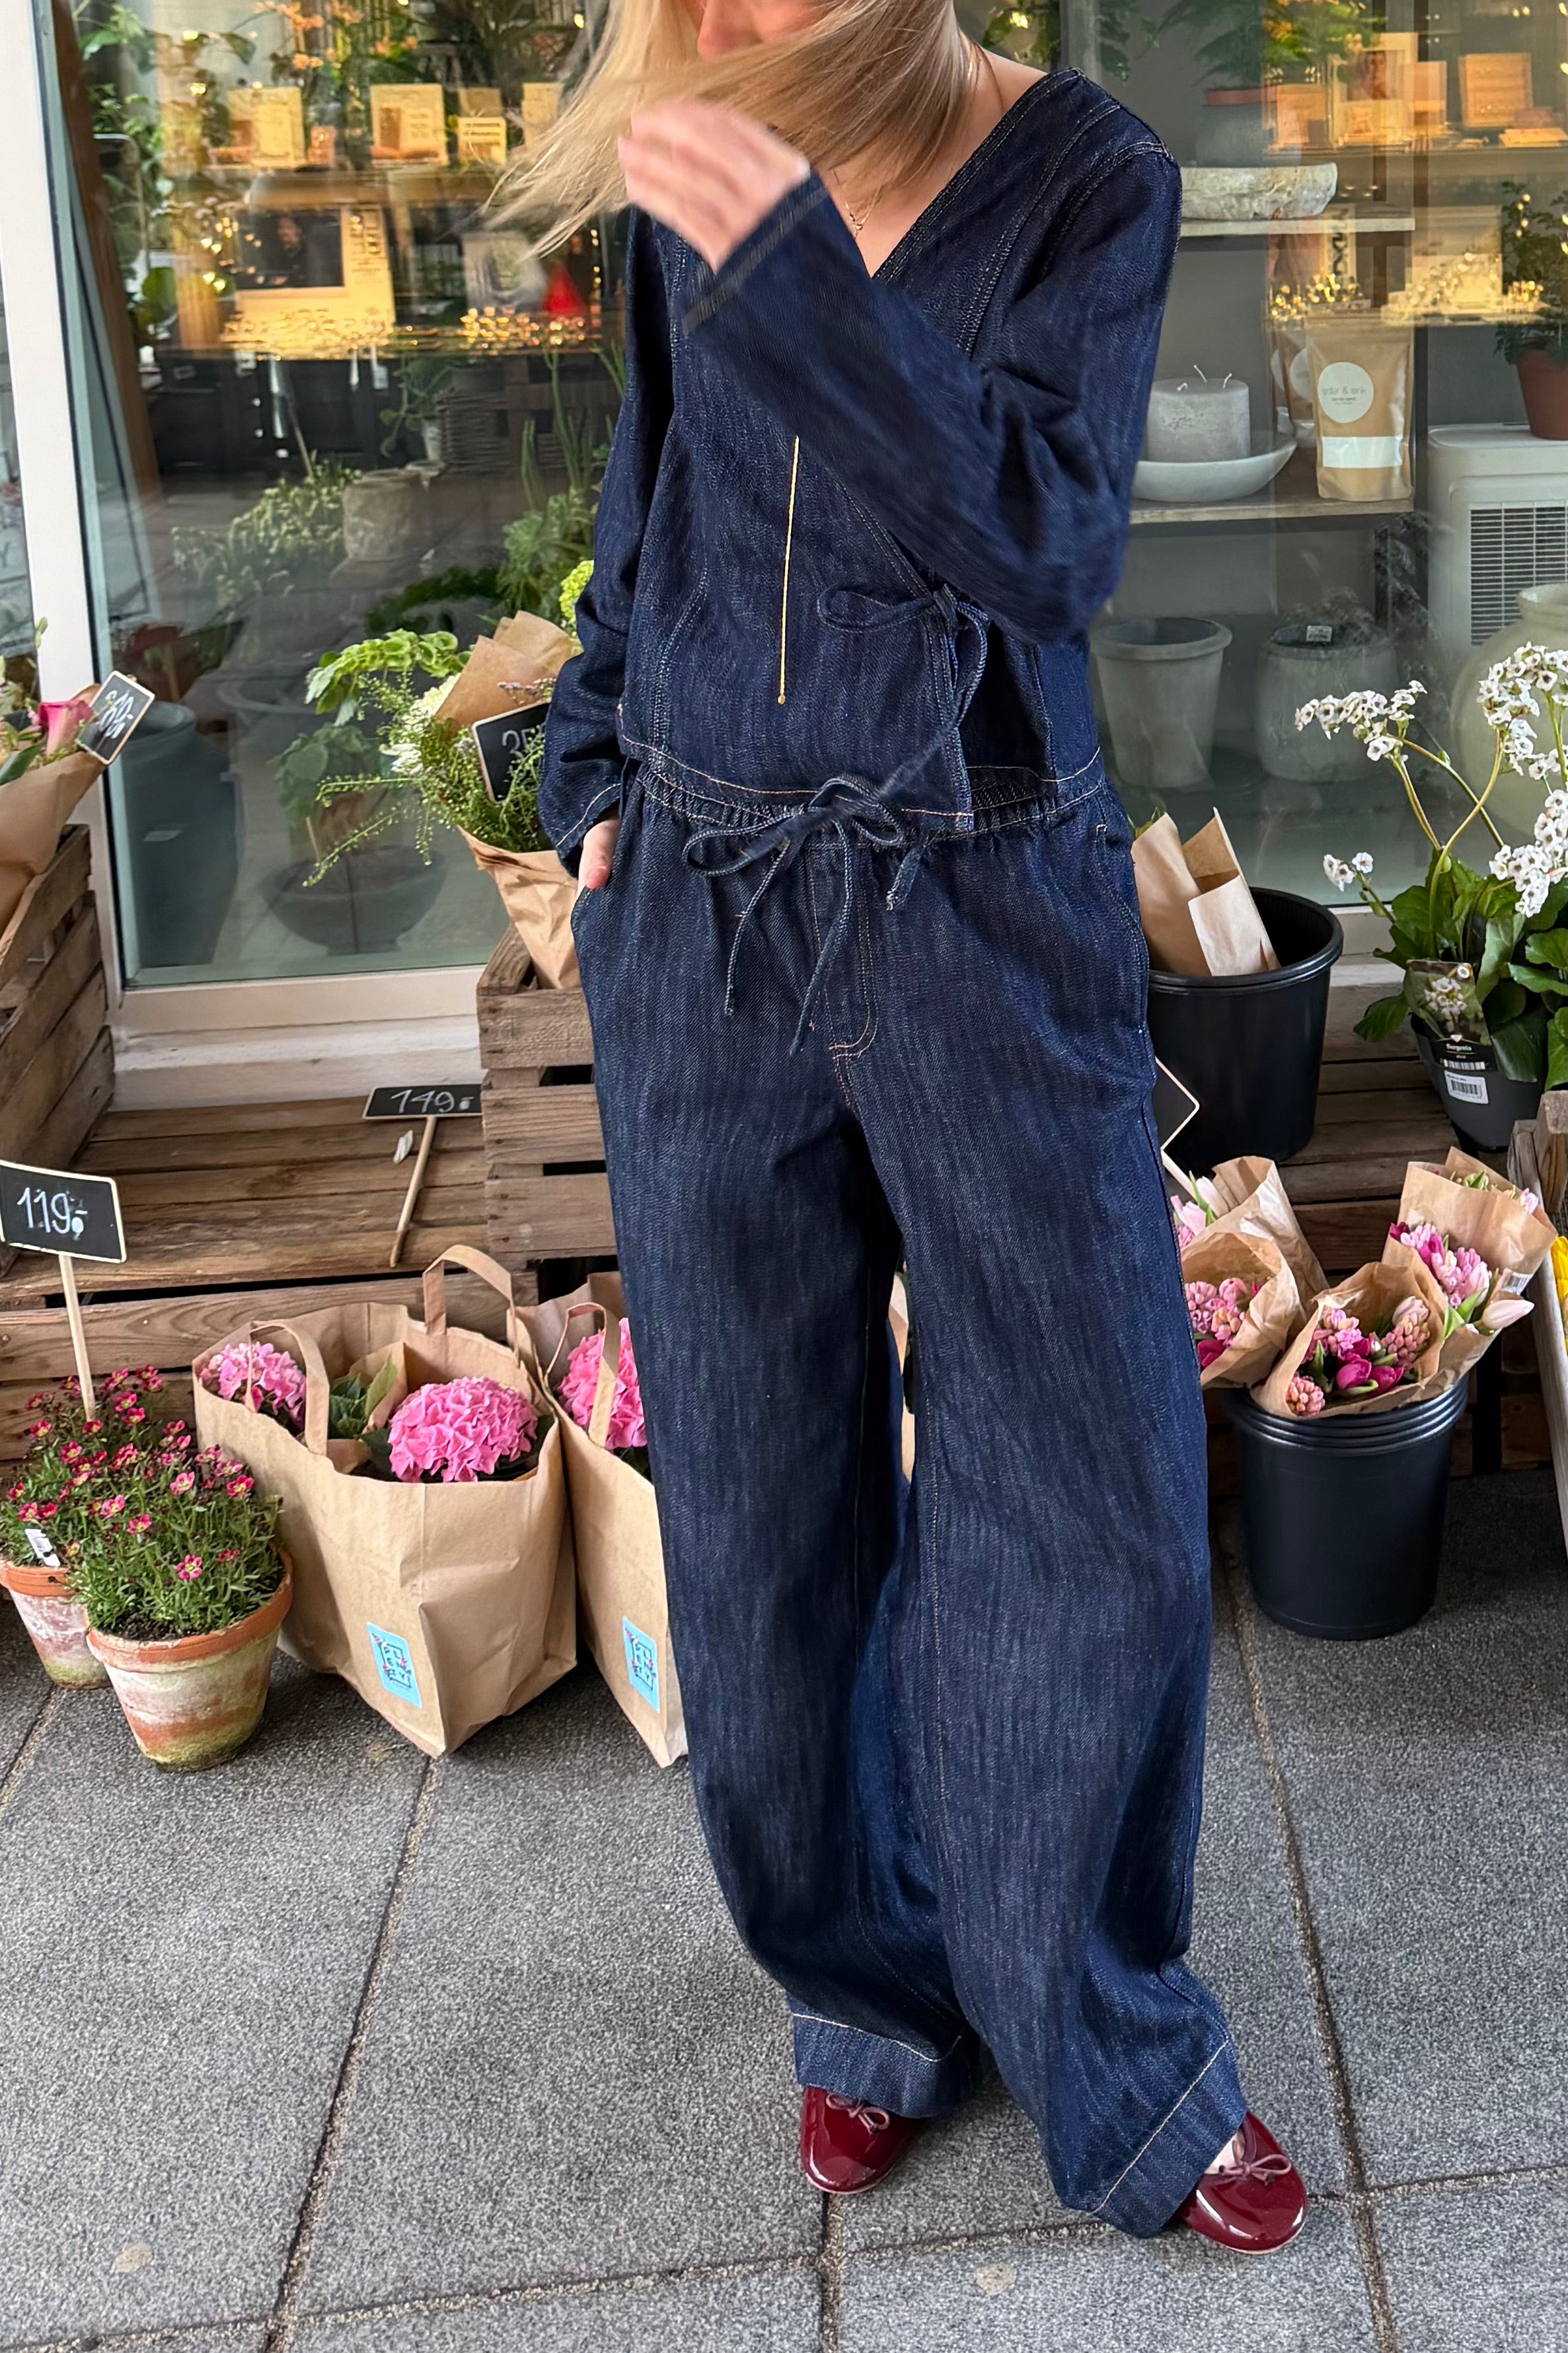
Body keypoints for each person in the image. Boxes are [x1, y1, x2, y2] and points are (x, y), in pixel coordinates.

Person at [512, 0, 1308, 2255]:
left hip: (981, 905)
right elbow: (652, 506)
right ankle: (863, 1993)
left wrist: (802, 282)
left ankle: (1111, 2053)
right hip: (704, 921)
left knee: (1090, 1488)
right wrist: (589, 774)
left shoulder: (1084, 181)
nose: (726, 18)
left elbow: (1043, 544)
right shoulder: (701, 159)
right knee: (762, 1514)